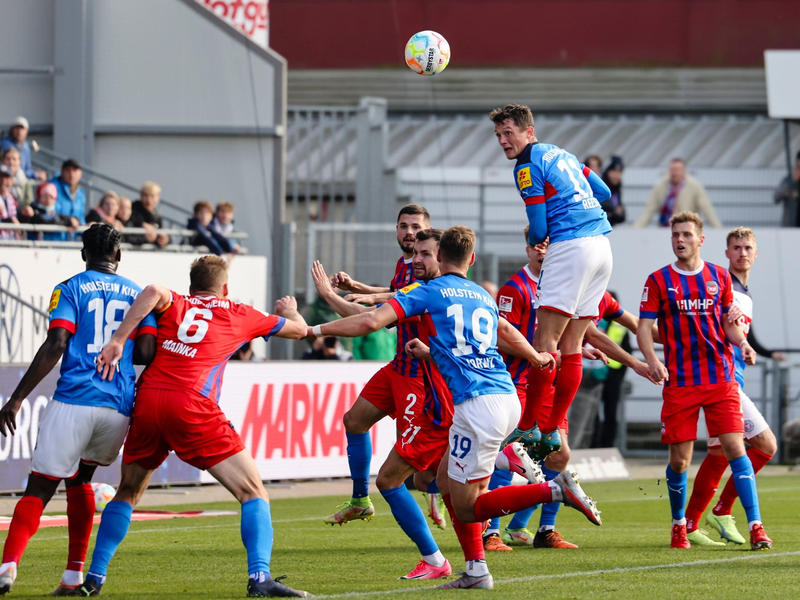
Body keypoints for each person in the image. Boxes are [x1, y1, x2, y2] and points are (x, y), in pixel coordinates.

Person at [312, 225, 601, 589]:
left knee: (465, 505)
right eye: (414, 252)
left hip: (472, 406)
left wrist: (311, 330)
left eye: (424, 253)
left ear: (441, 256)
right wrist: (537, 357)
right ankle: (477, 570)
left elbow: (371, 319)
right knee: (444, 480)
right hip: (504, 396)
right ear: (472, 259)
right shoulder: (479, 293)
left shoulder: (429, 291)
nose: (417, 258)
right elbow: (503, 332)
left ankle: (553, 489)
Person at [79, 256, 311, 598]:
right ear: (226, 288)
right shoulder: (240, 312)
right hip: (191, 405)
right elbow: (302, 330)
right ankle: (260, 578)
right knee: (253, 491)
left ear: (192, 287)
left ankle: (95, 577)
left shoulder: (177, 302)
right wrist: (290, 310)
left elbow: (154, 290)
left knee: (128, 491)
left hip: (150, 399)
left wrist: (118, 338)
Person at [0, 224, 157, 596]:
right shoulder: (140, 295)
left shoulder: (69, 288)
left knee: (39, 487)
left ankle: (7, 568)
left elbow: (57, 342)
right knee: (81, 480)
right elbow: (148, 353)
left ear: (84, 253)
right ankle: (72, 577)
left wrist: (18, 396)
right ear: (118, 256)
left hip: (75, 399)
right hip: (118, 407)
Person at [637, 211, 771, 550]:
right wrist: (651, 360)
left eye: (685, 234)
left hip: (720, 380)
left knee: (736, 450)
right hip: (680, 382)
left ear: (700, 239)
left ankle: (756, 525)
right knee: (680, 460)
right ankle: (680, 524)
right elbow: (643, 328)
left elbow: (729, 324)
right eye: (675, 235)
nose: (679, 240)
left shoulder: (719, 278)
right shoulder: (657, 280)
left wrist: (743, 343)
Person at [490, 103, 613, 459]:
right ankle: (551, 430)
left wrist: (537, 239)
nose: (502, 140)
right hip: (602, 246)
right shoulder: (565, 155)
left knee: (545, 343)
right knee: (572, 344)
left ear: (529, 131)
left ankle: (529, 426)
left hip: (571, 246)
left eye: (508, 132)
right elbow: (602, 192)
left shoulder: (527, 165)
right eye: (498, 135)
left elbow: (540, 226)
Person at [318, 205, 430, 526]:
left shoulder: (428, 270)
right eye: (403, 226)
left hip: (420, 377)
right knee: (354, 421)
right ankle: (359, 499)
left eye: (415, 226)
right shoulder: (404, 264)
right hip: (398, 368)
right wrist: (359, 289)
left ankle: (495, 472)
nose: (409, 232)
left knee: (418, 473)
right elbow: (395, 293)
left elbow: (395, 303)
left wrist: (340, 296)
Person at [684, 227, 784, 546]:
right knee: (766, 445)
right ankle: (727, 511)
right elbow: (706, 327)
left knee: (717, 455)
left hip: (729, 379)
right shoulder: (722, 288)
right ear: (726, 252)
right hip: (722, 382)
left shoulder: (742, 291)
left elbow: (743, 335)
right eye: (736, 247)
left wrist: (760, 351)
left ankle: (689, 523)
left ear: (756, 254)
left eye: (747, 247)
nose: (742, 252)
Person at [634, 159, 722, 229]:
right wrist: (636, 229)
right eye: (672, 170)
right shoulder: (660, 186)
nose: (675, 173)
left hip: (687, 231)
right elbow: (649, 209)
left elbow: (707, 209)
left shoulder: (695, 187)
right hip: (665, 230)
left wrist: (718, 229)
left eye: (678, 170)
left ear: (684, 171)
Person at [51, 159, 86, 240]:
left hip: (70, 242)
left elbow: (80, 217)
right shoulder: (52, 187)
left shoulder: (80, 193)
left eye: (75, 170)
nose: (71, 174)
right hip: (52, 241)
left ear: (80, 174)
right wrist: (68, 221)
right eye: (68, 170)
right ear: (62, 172)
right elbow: (49, 212)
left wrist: (87, 226)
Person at [1, 116, 46, 181]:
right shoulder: (5, 144)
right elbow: (10, 169)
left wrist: (36, 174)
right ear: (12, 130)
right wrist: (34, 175)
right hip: (6, 180)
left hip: (21, 180)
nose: (19, 132)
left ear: (26, 131)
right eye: (16, 128)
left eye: (22, 129)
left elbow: (27, 169)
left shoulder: (26, 146)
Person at [128, 181, 169, 247]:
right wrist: (142, 225)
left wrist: (164, 240)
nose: (148, 200)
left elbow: (161, 235)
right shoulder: (131, 210)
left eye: (152, 196)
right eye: (146, 195)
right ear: (141, 196)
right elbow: (128, 238)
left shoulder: (157, 217)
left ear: (158, 198)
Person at [773, 150, 800, 227]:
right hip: (791, 226)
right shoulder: (789, 180)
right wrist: (794, 181)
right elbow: (776, 196)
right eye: (798, 167)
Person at [601, 155, 625, 226]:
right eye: (614, 171)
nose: (616, 175)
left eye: (619, 172)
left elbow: (621, 216)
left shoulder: (617, 188)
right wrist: (614, 211)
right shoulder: (602, 187)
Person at [0, 169, 20, 239]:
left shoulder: (14, 199)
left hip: (11, 239)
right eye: (0, 177)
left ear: (12, 181)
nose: (3, 181)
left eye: (7, 178)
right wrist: (10, 220)